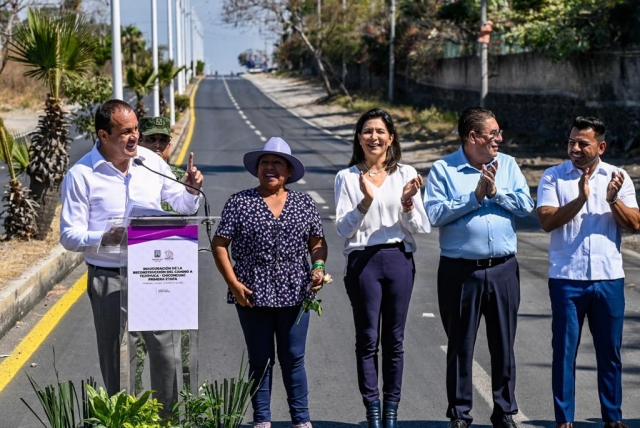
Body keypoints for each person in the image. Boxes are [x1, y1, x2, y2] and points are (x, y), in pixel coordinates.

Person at [60, 100, 204, 416]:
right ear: (103, 135)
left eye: (136, 129)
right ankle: (123, 419)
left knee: (166, 354)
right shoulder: (82, 175)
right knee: (117, 358)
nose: (135, 137)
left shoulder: (150, 162)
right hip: (108, 274)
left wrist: (191, 191)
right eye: (126, 131)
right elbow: (69, 236)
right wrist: (102, 237)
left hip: (154, 271)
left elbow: (180, 205)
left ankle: (165, 420)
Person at [424, 107, 534, 428]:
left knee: (503, 343)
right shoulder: (444, 169)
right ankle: (460, 414)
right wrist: (474, 198)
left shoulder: (509, 165)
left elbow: (526, 205)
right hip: (460, 272)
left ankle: (505, 412)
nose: (499, 139)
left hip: (503, 269)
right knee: (460, 344)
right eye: (493, 134)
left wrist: (496, 193)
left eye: (499, 133)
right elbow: (434, 214)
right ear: (473, 137)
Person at [212, 137, 327, 428]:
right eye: (265, 162)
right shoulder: (240, 203)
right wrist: (234, 284)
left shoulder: (303, 203)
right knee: (260, 359)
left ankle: (301, 420)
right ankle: (262, 420)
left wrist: (318, 266)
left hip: (295, 292)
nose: (270, 167)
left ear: (288, 171)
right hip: (251, 293)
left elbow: (317, 243)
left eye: (277, 163)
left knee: (293, 357)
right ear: (257, 169)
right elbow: (220, 244)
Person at [537, 116, 640, 428]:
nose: (576, 148)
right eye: (572, 142)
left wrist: (611, 201)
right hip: (567, 280)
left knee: (610, 354)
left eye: (583, 143)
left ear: (601, 146)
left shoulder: (618, 177)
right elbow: (546, 220)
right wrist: (581, 199)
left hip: (608, 279)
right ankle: (564, 419)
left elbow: (635, 223)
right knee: (565, 353)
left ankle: (613, 417)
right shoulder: (554, 177)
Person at [334, 108, 430, 428]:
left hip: (399, 259)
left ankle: (391, 411)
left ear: (391, 138)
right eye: (367, 131)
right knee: (367, 338)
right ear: (359, 138)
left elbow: (421, 226)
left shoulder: (406, 174)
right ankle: (372, 410)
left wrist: (407, 203)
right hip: (363, 263)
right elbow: (343, 230)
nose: (373, 137)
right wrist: (364, 202)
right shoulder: (347, 177)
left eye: (380, 132)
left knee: (395, 340)